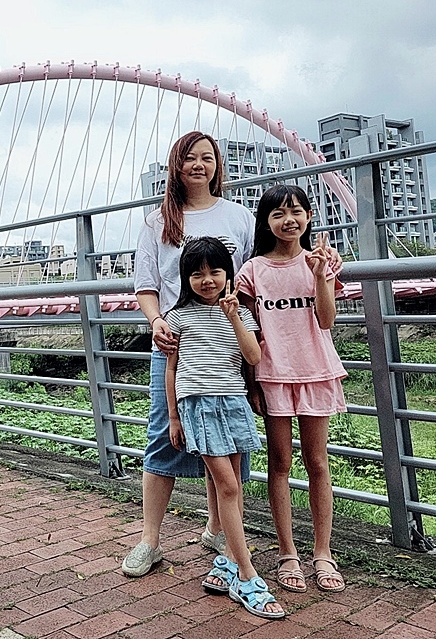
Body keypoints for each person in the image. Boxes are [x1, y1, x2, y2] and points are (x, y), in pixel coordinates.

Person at [124, 131, 256, 578]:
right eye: (190, 158)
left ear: (219, 164)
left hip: (225, 347)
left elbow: (254, 276)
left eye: (208, 158)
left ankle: (217, 529)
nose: (199, 165)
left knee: (223, 440)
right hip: (175, 343)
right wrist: (155, 320)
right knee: (163, 435)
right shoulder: (157, 221)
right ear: (175, 166)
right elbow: (146, 286)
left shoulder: (239, 217)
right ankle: (150, 540)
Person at [235, 184, 347, 594]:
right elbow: (249, 331)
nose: (289, 220)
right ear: (265, 222)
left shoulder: (321, 262)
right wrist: (252, 385)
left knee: (318, 463)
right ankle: (287, 553)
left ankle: (323, 552)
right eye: (278, 213)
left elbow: (326, 320)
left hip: (315, 370)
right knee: (279, 463)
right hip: (273, 373)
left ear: (310, 216)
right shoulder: (252, 271)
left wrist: (320, 276)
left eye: (297, 211)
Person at [164, 236, 284, 620]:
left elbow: (253, 356)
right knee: (228, 485)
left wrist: (233, 316)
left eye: (215, 271)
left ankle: (228, 561)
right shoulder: (178, 316)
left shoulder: (239, 314)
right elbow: (171, 368)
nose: (207, 280)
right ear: (186, 278)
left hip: (233, 403)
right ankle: (246, 573)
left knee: (228, 484)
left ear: (227, 273)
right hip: (198, 404)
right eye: (197, 274)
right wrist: (174, 415)